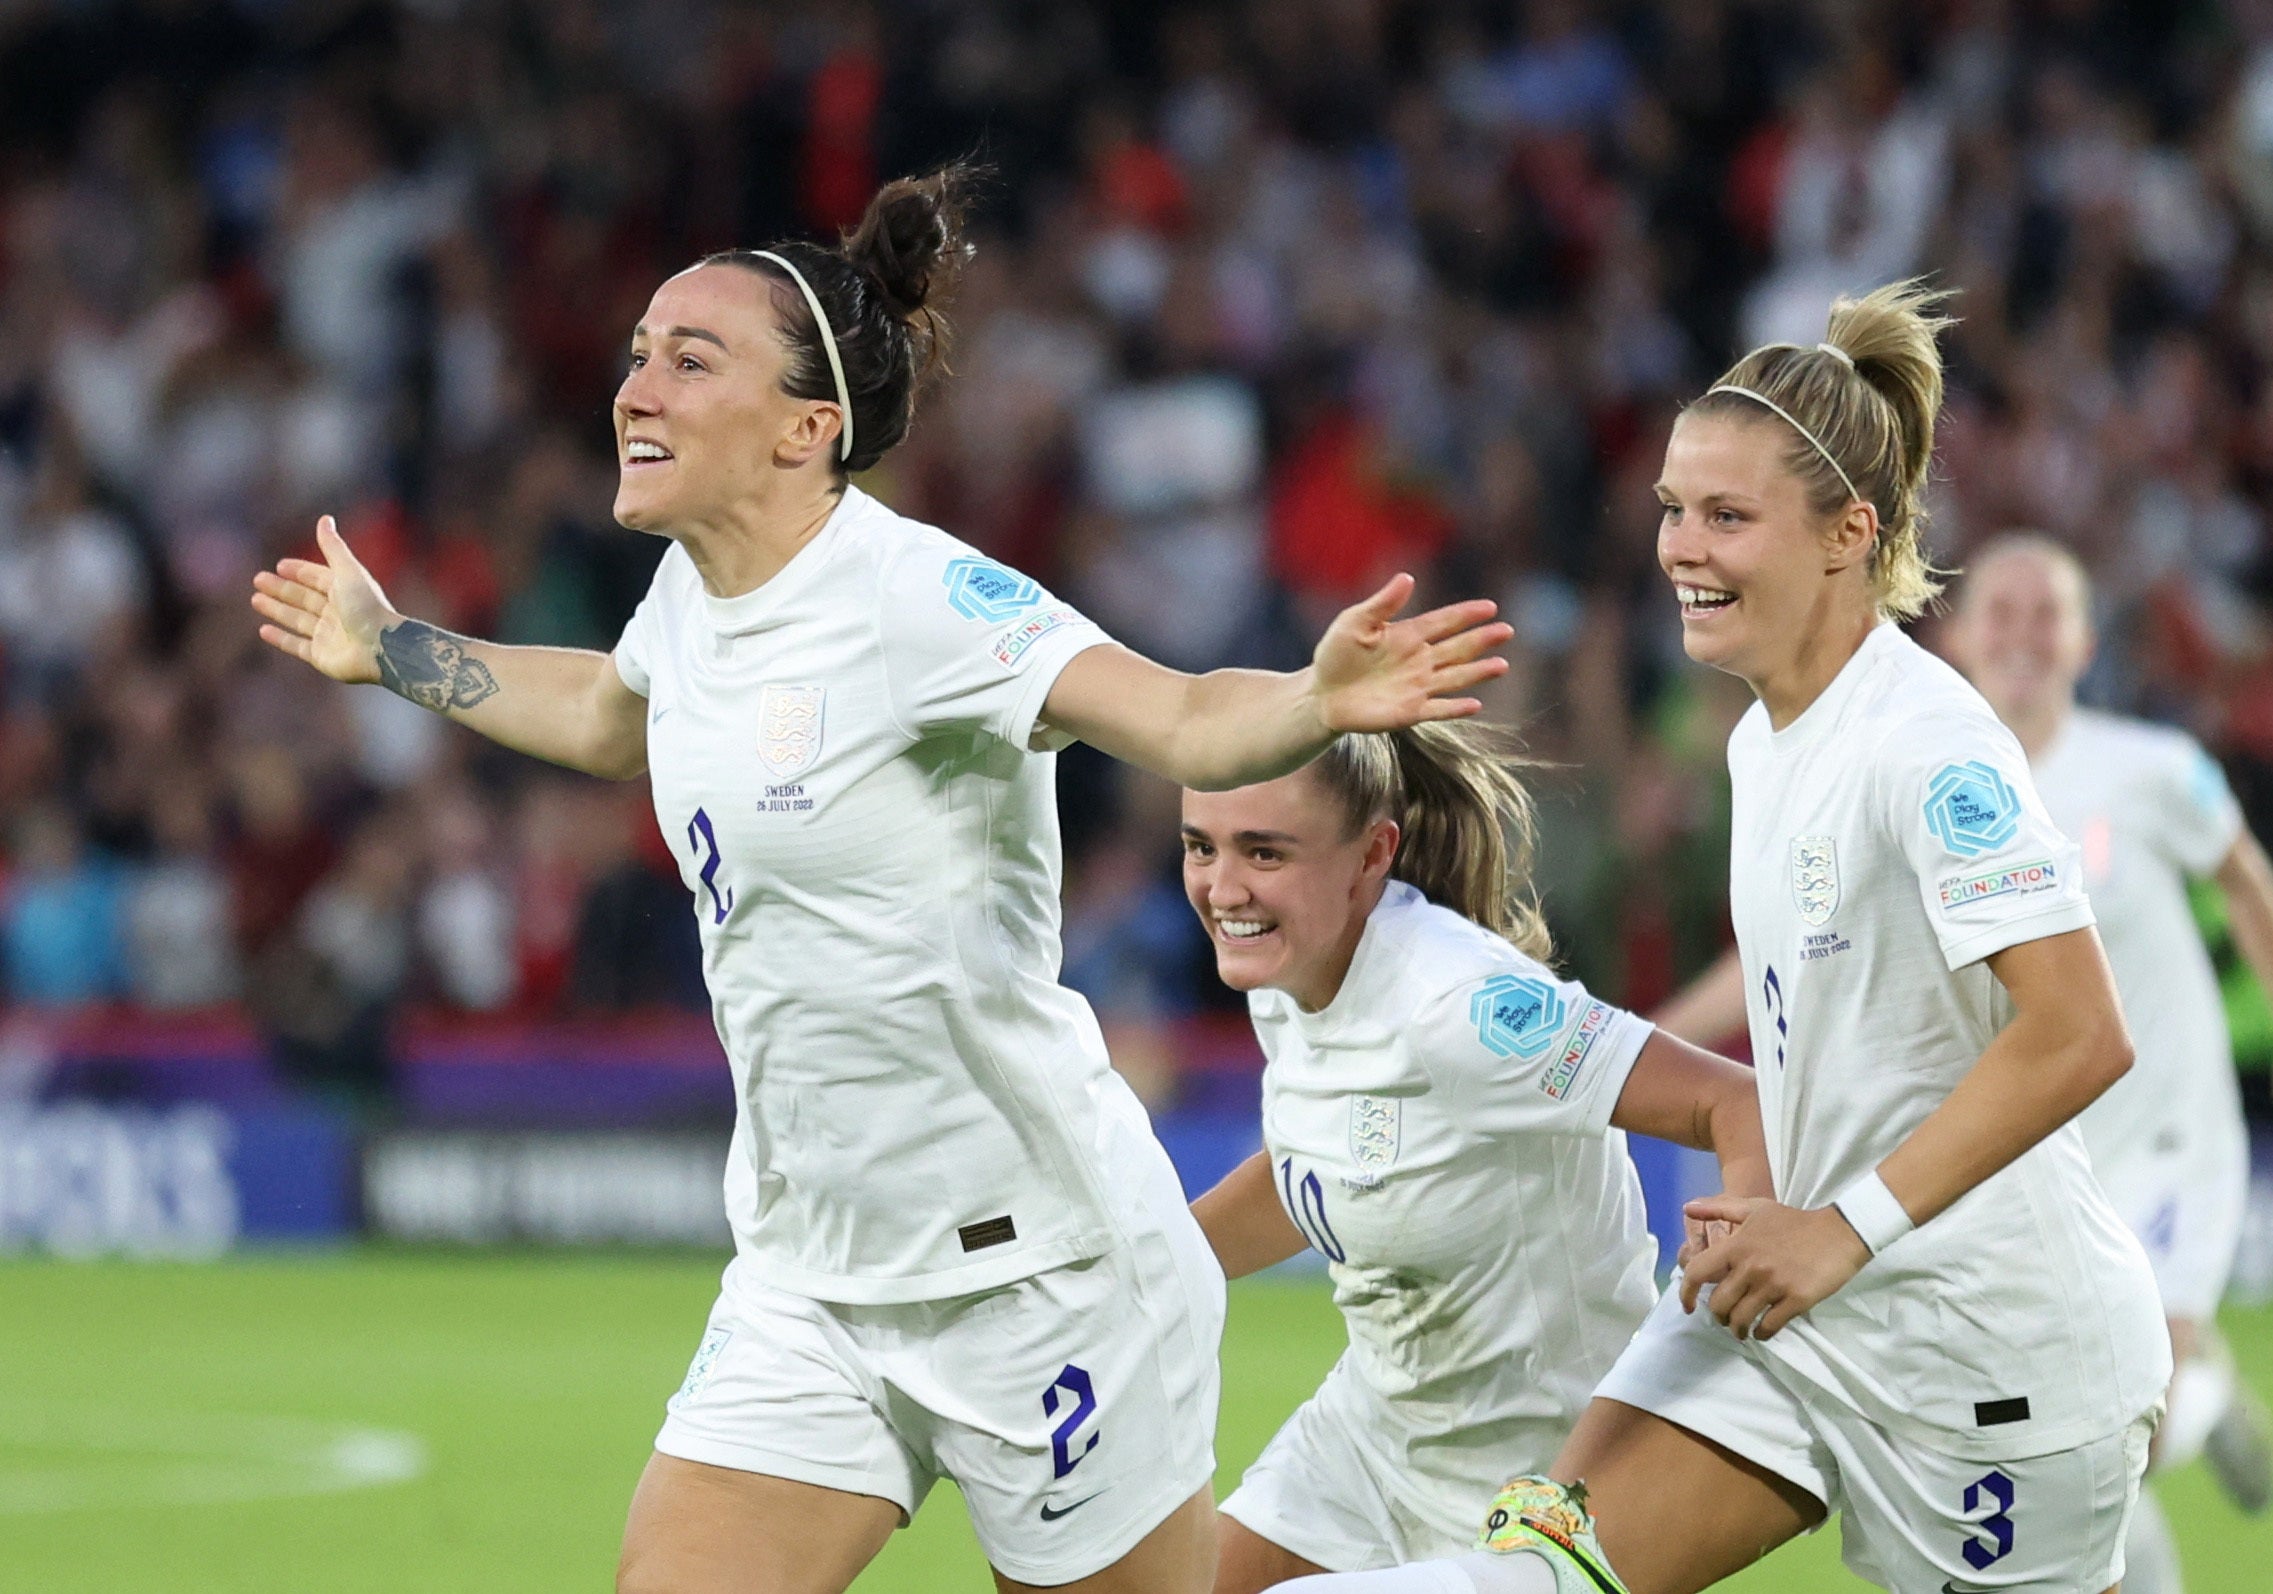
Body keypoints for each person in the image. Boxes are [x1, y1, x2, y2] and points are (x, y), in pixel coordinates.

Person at [249, 165, 1515, 1594]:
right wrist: (399, 650)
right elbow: (614, 712)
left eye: (689, 357)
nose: (636, 387)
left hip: (1040, 1274)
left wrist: (1312, 694)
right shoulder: (695, 595)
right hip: (811, 1271)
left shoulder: (919, 601)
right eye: (637, 355)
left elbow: (1171, 716)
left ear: (808, 428)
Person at [1271, 283, 2170, 1594]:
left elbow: (2081, 1031)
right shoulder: (1764, 738)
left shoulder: (1929, 746)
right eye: (1672, 509)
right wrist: (1770, 1199)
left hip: (1995, 1362)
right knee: (1522, 1572)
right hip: (1798, 1317)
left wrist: (1839, 1225)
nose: (1681, 547)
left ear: (1846, 537)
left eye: (1727, 516)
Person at [1179, 721, 1770, 1593]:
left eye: (1263, 854)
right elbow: (1323, 1162)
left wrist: (1749, 1234)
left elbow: (1734, 1099)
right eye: (1200, 846)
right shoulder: (1290, 967)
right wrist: (1139, 1271)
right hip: (1365, 1444)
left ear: (1372, 854)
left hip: (1537, 1483)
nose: (1222, 886)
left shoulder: (1460, 1006)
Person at [1940, 534, 2273, 1590]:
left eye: (2048, 611)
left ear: (2084, 639)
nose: (2023, 633)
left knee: (2142, 1402)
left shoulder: (2151, 769)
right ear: (1954, 635)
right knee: (2073, 1429)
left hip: (2171, 1128)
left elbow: (2245, 884)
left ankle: (2205, 1396)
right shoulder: (1933, 796)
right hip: (2049, 1155)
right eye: (1999, 609)